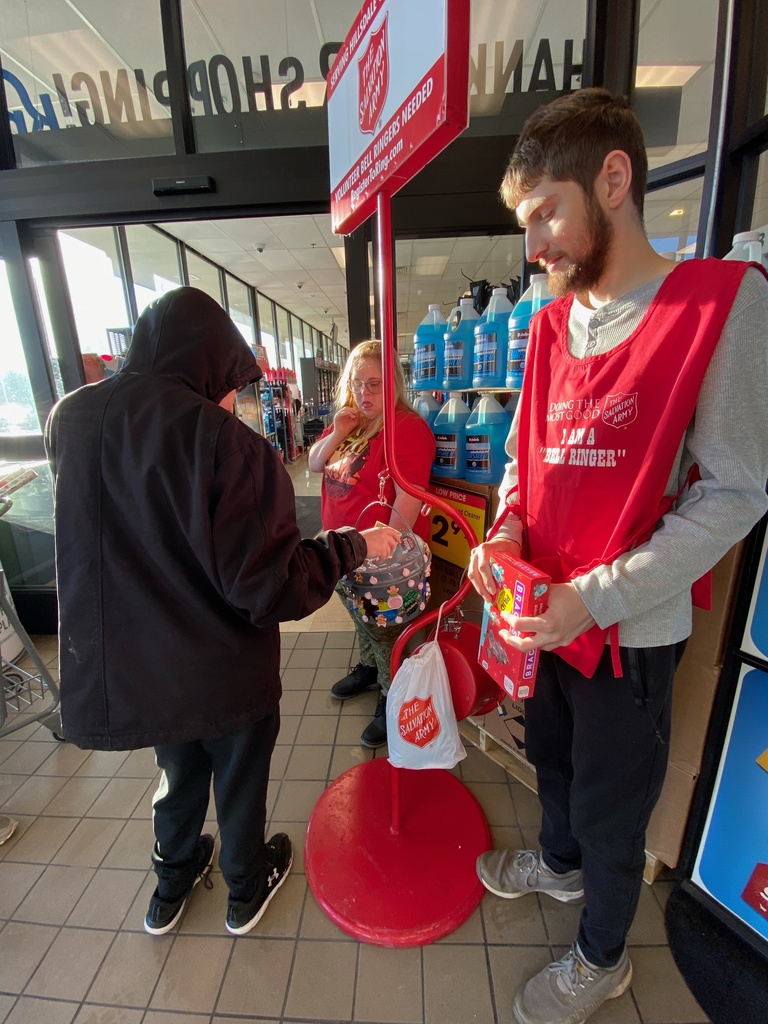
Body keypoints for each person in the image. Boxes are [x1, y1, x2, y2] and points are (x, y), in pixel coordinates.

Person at [467, 88, 768, 1024]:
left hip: (626, 631)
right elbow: (524, 459)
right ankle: (557, 872)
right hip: (540, 616)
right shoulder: (552, 324)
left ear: (614, 177)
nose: (535, 246)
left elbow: (736, 493)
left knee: (612, 809)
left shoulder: (720, 304)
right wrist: (505, 535)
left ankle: (603, 960)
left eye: (545, 211)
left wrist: (591, 599)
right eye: (525, 224)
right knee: (548, 759)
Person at [44, 288, 399, 938]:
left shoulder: (72, 419)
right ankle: (244, 888)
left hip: (141, 668)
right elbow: (272, 588)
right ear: (207, 361)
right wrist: (354, 547)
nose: (233, 397)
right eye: (231, 382)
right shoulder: (225, 443)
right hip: (227, 671)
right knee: (238, 780)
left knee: (175, 776)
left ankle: (169, 887)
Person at [308, 340, 436, 748]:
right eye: (358, 383)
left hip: (379, 557)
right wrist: (339, 433)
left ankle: (392, 695)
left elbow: (407, 501)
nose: (364, 393)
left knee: (385, 630)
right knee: (360, 619)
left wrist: (381, 554)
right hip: (344, 551)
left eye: (375, 384)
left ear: (394, 384)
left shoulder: (407, 429)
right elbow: (313, 462)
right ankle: (369, 669)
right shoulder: (350, 422)